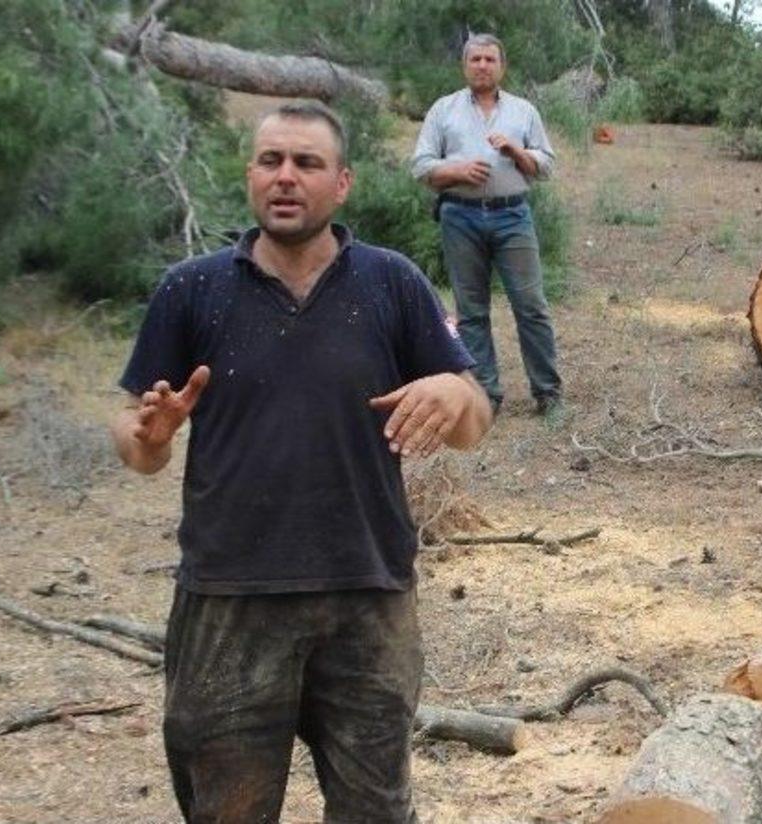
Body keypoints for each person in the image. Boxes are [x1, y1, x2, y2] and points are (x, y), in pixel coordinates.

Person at [110, 100, 492, 824]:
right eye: (270, 161)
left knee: (376, 811)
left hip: (368, 600)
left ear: (342, 183)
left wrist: (454, 390)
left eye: (306, 163)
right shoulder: (192, 289)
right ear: (251, 176)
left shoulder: (392, 282)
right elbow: (135, 439)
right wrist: (149, 437)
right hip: (228, 602)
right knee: (226, 811)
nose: (285, 176)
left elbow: (474, 420)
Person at [412, 32, 564, 420]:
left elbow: (546, 165)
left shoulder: (523, 111)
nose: (482, 65)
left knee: (531, 306)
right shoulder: (443, 110)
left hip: (512, 215)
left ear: (502, 66)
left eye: (490, 59)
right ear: (464, 66)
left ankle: (547, 392)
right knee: (471, 310)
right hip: (459, 216)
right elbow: (421, 166)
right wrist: (457, 170)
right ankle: (485, 394)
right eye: (475, 59)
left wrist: (516, 150)